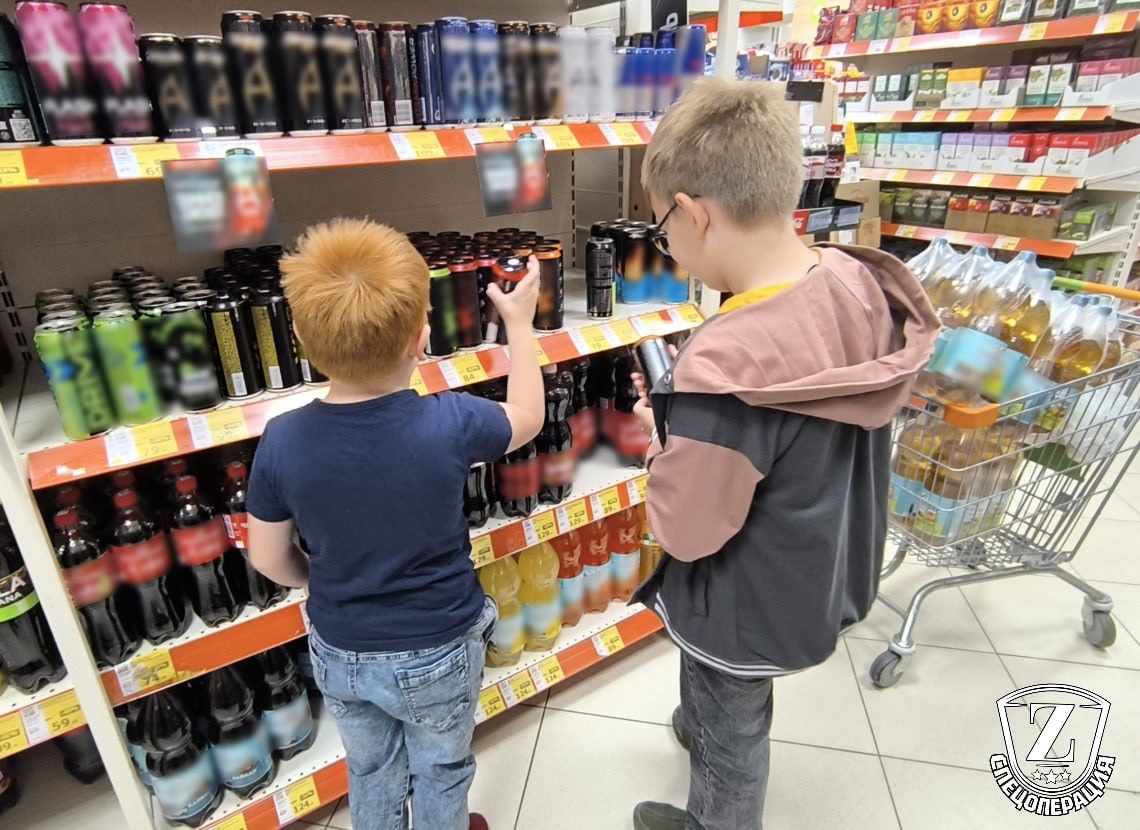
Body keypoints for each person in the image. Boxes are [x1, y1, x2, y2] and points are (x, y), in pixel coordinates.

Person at [629, 79, 941, 830]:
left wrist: (665, 442)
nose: (663, 241)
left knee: (731, 731)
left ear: (695, 213)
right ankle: (698, 726)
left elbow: (689, 530)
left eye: (661, 223)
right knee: (726, 707)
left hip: (742, 603)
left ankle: (716, 819)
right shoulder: (852, 280)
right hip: (820, 561)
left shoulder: (725, 361)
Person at [245, 218, 544, 830]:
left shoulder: (282, 440)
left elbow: (267, 557)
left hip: (341, 647)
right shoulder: (451, 421)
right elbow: (529, 417)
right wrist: (518, 322)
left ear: (300, 336)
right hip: (437, 645)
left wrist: (319, 579)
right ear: (421, 336)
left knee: (371, 770)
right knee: (441, 768)